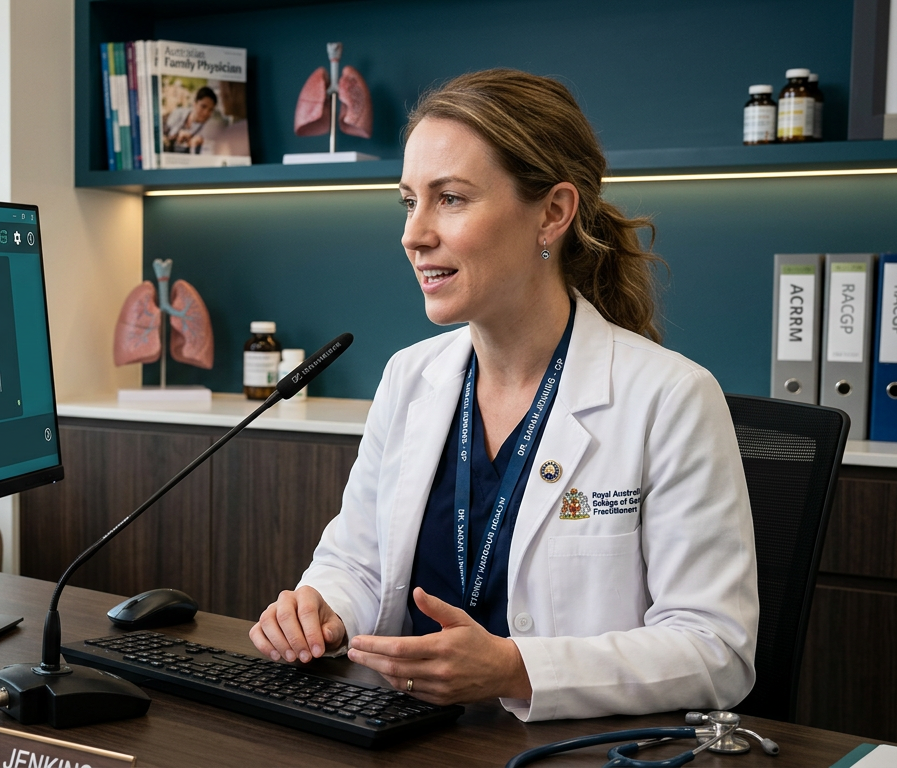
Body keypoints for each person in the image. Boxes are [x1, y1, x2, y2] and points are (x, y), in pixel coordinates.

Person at [249, 69, 758, 722]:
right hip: (407, 737)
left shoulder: (671, 398)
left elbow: (717, 650)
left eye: (451, 199)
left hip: (568, 752)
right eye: (409, 202)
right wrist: (320, 607)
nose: (414, 234)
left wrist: (519, 667)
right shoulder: (410, 377)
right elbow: (359, 565)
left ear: (552, 212)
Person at [162, 86, 218, 154]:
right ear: (195, 103)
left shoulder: (208, 129)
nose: (206, 113)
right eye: (203, 106)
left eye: (210, 110)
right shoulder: (178, 112)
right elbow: (166, 130)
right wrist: (177, 134)